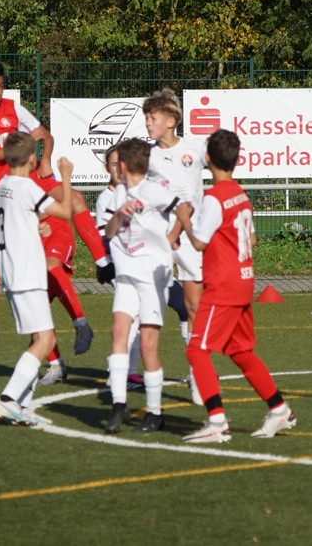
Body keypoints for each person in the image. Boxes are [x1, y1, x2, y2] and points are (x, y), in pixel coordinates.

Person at [0, 59, 112, 363]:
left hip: (26, 177)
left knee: (76, 199)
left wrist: (45, 158)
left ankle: (103, 263)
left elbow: (44, 134)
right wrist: (21, 146)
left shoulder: (13, 109)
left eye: (2, 85)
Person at [174, 129, 295, 442]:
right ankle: (279, 409)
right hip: (243, 280)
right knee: (240, 351)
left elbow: (199, 243)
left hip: (224, 285)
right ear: (237, 160)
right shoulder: (240, 193)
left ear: (207, 158)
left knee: (197, 350)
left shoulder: (215, 198)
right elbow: (251, 239)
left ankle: (216, 422)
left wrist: (184, 218)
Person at [0, 132, 74, 427]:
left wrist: (35, 225)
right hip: (27, 272)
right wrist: (66, 175)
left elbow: (16, 219)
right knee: (45, 339)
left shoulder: (2, 185)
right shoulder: (27, 186)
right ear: (31, 159)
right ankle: (9, 398)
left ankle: (21, 406)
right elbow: (65, 211)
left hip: (12, 272)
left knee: (39, 338)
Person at [102, 137, 182, 433]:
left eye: (116, 164)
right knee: (118, 331)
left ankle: (155, 412)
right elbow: (110, 232)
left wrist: (172, 237)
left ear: (123, 165)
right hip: (126, 274)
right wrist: (119, 215)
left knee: (148, 344)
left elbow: (184, 210)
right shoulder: (120, 192)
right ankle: (118, 404)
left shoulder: (153, 190)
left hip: (152, 277)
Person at [143, 88, 206, 404]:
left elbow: (222, 168)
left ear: (171, 121)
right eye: (146, 118)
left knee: (194, 307)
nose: (147, 123)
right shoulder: (147, 156)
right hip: (159, 239)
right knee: (146, 308)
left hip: (189, 240)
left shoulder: (196, 148)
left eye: (152, 118)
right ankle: (128, 373)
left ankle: (197, 375)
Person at [33, 172, 95, 385]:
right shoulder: (3, 179)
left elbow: (67, 202)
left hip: (56, 232)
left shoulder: (35, 172)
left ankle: (81, 323)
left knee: (51, 265)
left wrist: (47, 154)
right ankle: (56, 366)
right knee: (34, 312)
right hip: (31, 243)